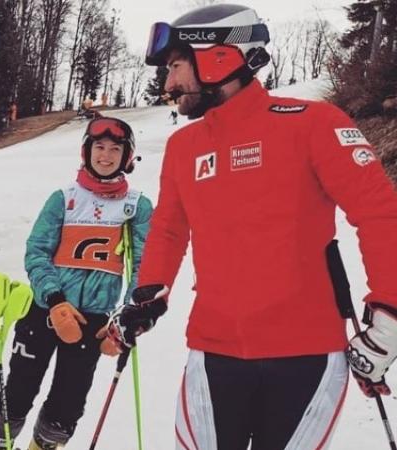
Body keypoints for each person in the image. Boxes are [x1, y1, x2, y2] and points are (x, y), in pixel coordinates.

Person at [105, 4, 397, 449]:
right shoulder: (184, 147)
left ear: (218, 56)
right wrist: (148, 294)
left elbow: (380, 213)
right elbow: (168, 228)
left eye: (175, 66)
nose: (168, 84)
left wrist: (389, 314)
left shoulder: (314, 123)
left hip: (308, 356)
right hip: (213, 351)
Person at [0, 116, 153, 450]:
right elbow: (37, 252)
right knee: (18, 392)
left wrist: (127, 320)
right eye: (99, 147)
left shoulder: (136, 206)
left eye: (115, 149)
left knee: (68, 402)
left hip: (94, 319)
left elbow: (144, 267)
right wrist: (55, 299)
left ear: (127, 156)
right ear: (86, 151)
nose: (105, 156)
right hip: (48, 310)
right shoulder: (64, 198)